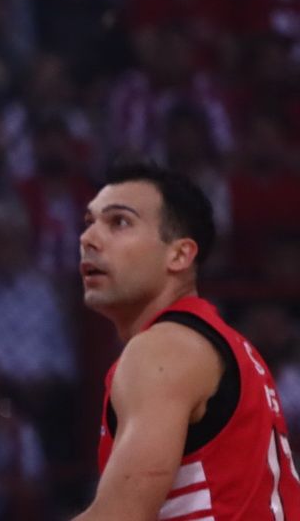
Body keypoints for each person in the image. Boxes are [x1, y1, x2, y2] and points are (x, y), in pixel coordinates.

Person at [72, 165, 300, 519]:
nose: (88, 238)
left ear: (179, 255)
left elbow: (121, 515)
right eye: (89, 222)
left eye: (119, 222)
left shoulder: (164, 350)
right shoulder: (219, 344)